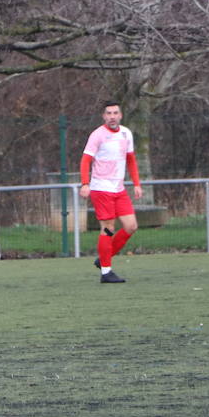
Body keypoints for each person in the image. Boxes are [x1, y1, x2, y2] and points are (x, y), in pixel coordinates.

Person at [79, 101, 142, 283]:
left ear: (120, 115)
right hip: (101, 189)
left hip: (119, 189)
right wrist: (85, 183)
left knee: (131, 226)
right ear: (103, 116)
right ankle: (106, 272)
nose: (112, 116)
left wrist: (136, 184)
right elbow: (85, 161)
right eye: (109, 113)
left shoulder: (126, 133)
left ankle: (104, 258)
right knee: (108, 228)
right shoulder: (97, 135)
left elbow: (131, 160)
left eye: (115, 113)